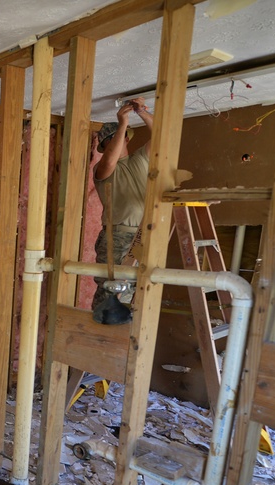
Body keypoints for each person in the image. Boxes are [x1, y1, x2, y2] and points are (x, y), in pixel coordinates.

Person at [91, 97, 154, 320]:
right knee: (111, 289)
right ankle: (100, 332)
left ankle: (122, 335)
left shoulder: (140, 160)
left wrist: (142, 113)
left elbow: (163, 135)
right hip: (117, 236)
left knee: (133, 289)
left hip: (143, 235)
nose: (114, 144)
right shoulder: (103, 169)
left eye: (118, 138)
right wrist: (122, 123)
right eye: (111, 140)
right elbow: (109, 160)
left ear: (125, 139)